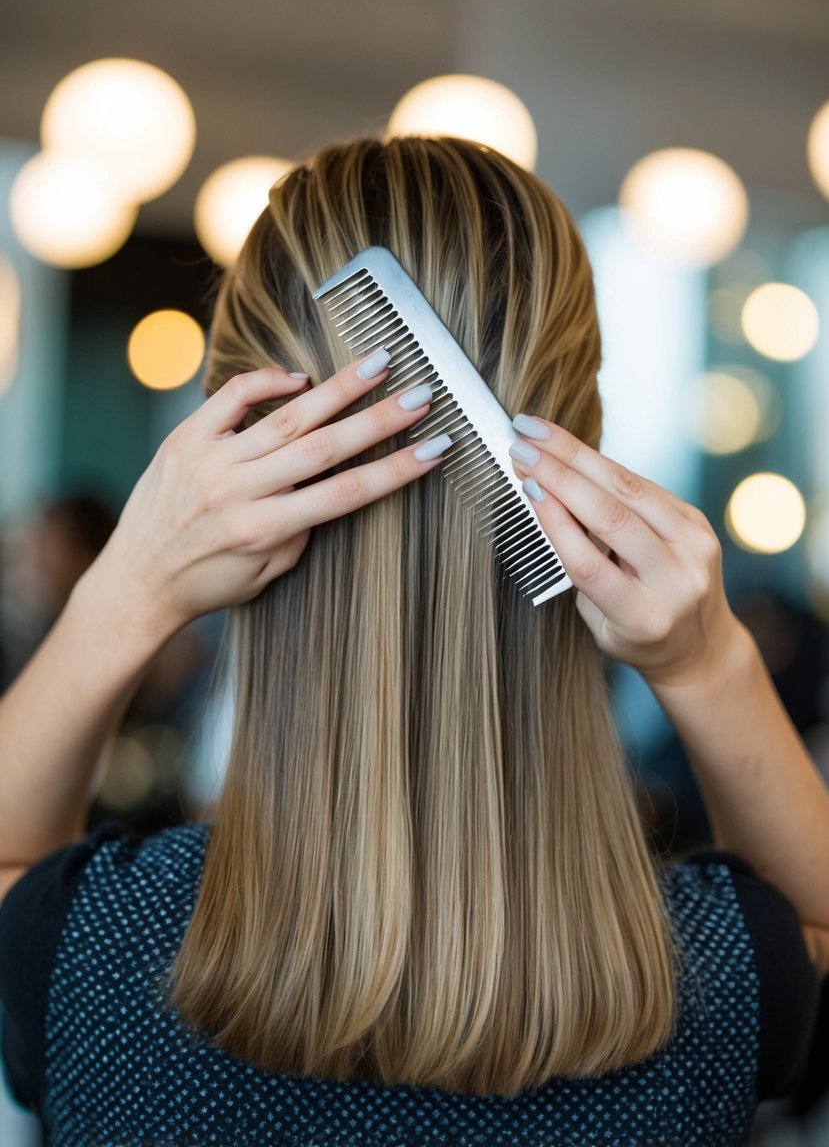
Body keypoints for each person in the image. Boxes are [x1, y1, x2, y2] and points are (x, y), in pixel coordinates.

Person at [0, 136, 825, 1147]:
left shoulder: (94, 943)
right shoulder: (717, 970)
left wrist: (122, 590)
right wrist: (710, 663)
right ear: (577, 430)